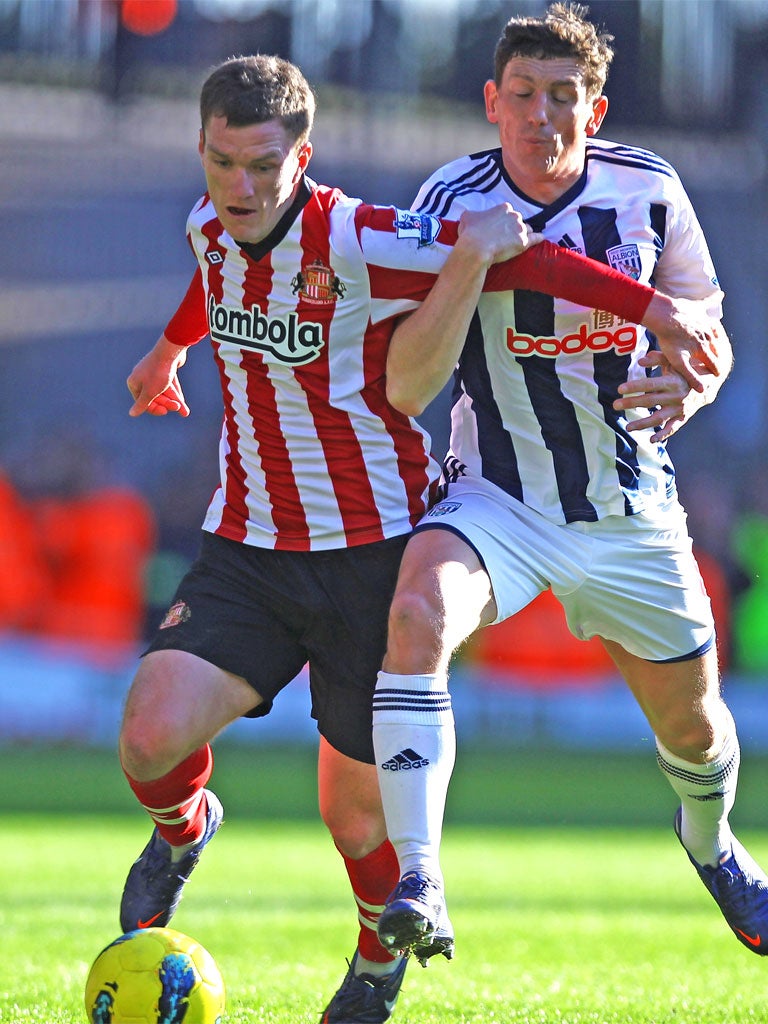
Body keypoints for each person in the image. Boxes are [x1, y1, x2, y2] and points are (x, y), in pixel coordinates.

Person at [118, 52, 727, 1024]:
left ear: (301, 155)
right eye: (221, 163)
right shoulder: (208, 225)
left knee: (355, 819)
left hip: (369, 549)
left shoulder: (360, 234)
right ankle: (184, 829)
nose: (238, 188)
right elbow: (212, 277)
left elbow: (519, 257)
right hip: (248, 545)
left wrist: (658, 310)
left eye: (260, 167)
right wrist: (168, 348)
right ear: (202, 150)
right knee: (147, 737)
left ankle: (376, 961)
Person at [370, 2, 763, 973]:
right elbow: (410, 383)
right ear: (490, 104)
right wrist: (468, 260)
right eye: (523, 96)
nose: (541, 116)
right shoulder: (446, 202)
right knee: (417, 606)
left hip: (629, 508)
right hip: (493, 498)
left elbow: (703, 332)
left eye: (563, 97)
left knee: (698, 731)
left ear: (597, 107)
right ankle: (416, 875)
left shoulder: (650, 190)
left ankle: (709, 841)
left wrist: (690, 385)